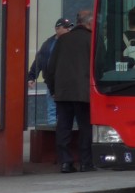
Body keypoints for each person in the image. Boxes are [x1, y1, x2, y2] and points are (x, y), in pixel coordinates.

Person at [44, 9, 94, 173]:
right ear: (88, 23)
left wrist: (53, 89)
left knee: (63, 127)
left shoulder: (62, 40)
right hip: (84, 93)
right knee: (85, 128)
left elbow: (50, 68)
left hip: (63, 92)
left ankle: (66, 162)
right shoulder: (93, 40)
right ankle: (86, 163)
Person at [29, 17, 72, 126]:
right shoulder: (48, 44)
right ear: (57, 29)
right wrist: (31, 76)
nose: (68, 30)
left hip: (68, 82)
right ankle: (53, 135)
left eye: (69, 28)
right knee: (52, 110)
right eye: (65, 28)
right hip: (52, 82)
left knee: (67, 111)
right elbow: (39, 60)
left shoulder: (72, 41)